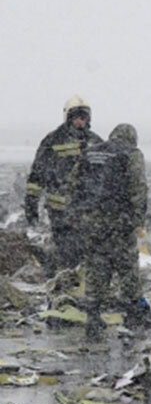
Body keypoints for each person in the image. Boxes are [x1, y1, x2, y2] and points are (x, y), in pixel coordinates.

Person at [71, 123, 150, 339]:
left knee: (96, 265)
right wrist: (137, 220)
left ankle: (93, 317)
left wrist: (77, 215)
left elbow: (73, 185)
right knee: (126, 265)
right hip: (119, 219)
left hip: (92, 220)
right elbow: (139, 187)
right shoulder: (131, 154)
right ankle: (133, 314)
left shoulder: (90, 153)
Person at [25, 95, 103, 274]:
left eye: (83, 117)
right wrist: (31, 206)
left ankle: (81, 281)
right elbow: (37, 177)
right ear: (68, 117)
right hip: (60, 211)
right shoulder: (53, 140)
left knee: (89, 253)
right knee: (67, 252)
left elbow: (107, 175)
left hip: (89, 210)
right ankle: (67, 280)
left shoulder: (96, 141)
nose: (80, 121)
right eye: (76, 117)